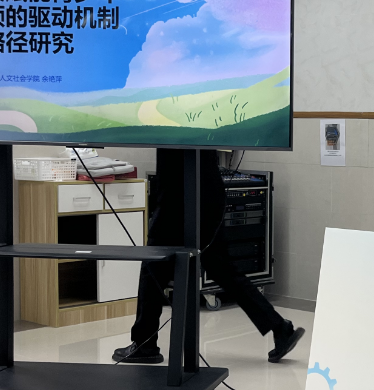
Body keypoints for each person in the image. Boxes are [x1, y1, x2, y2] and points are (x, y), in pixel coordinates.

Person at [113, 149, 305, 364]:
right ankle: (280, 328)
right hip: (207, 194)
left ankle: (144, 345)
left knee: (153, 268)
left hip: (176, 198)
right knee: (221, 268)